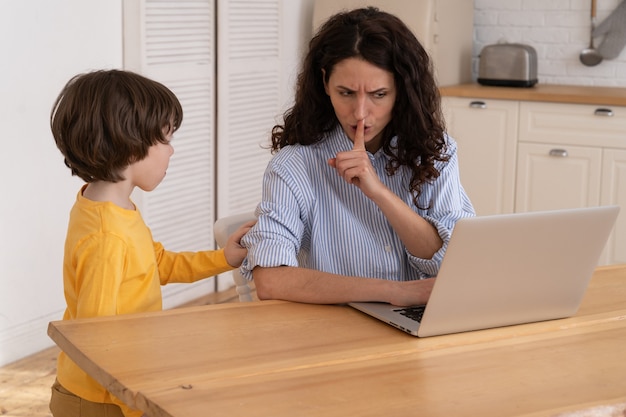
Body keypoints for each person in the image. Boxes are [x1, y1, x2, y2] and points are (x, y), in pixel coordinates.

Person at [48, 69, 254, 417]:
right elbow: (96, 341)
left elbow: (155, 264)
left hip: (108, 390)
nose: (171, 151)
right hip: (100, 400)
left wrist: (223, 258)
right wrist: (137, 405)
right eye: (165, 140)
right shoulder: (106, 236)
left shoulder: (111, 208)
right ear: (129, 145)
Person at [240, 7, 474, 307]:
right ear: (325, 83)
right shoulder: (293, 166)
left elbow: (455, 263)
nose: (360, 113)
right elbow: (271, 280)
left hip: (426, 322)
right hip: (337, 329)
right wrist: (392, 291)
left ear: (401, 90)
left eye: (379, 94)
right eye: (346, 93)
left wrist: (379, 193)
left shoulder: (435, 151)